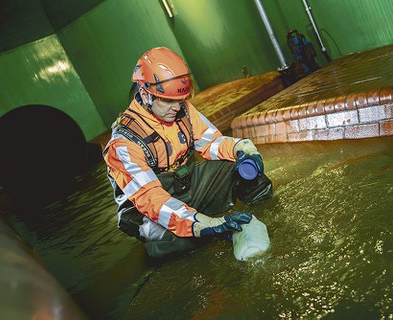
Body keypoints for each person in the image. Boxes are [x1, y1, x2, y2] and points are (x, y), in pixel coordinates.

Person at [103, 47, 273, 258]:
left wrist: (242, 148)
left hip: (186, 190)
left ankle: (271, 214)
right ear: (145, 94)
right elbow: (154, 201)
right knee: (174, 242)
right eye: (168, 101)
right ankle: (197, 228)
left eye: (179, 100)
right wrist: (209, 224)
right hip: (150, 213)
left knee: (238, 166)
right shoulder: (123, 144)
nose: (176, 108)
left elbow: (212, 143)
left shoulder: (181, 109)